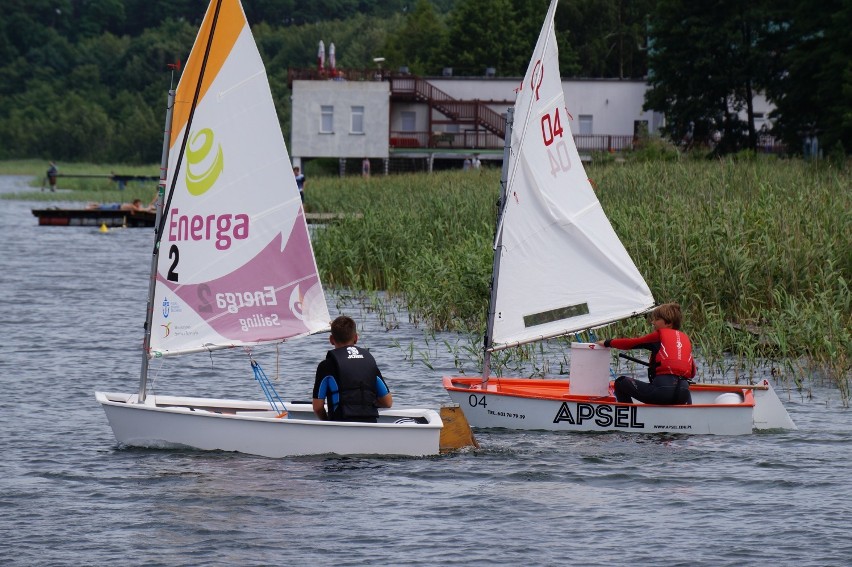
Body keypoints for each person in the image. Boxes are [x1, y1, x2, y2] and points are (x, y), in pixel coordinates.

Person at [596, 302, 695, 405]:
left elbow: (631, 343)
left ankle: (630, 417)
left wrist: (607, 342)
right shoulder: (684, 340)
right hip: (683, 394)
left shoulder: (658, 336)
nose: (653, 322)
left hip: (662, 392)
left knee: (621, 383)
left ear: (668, 323)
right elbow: (692, 373)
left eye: (656, 319)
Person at [313, 315, 393, 423]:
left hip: (340, 426)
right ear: (356, 338)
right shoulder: (369, 361)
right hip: (370, 425)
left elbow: (317, 407)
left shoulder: (326, 366)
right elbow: (387, 402)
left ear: (331, 340)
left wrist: (327, 422)